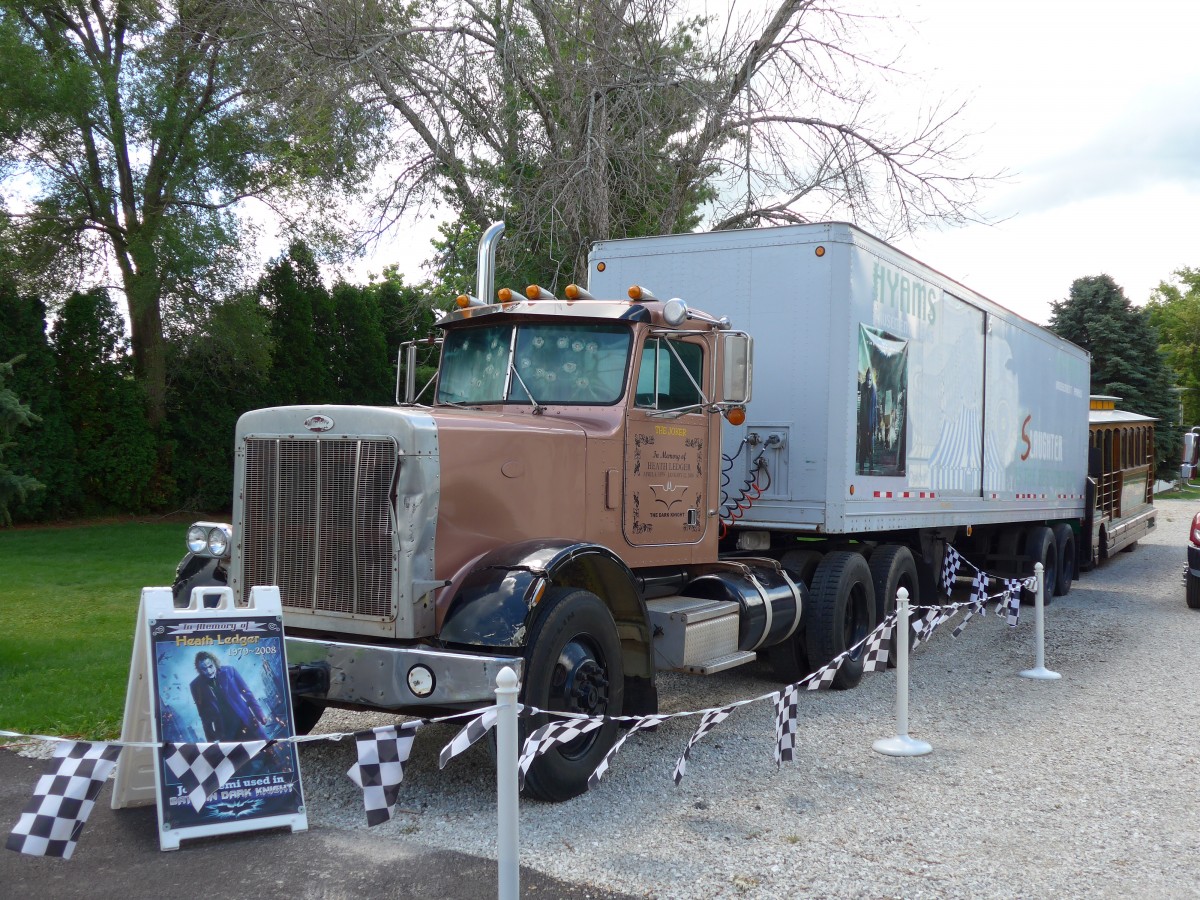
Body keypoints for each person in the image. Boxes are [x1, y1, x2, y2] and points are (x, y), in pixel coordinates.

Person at [189, 651, 269, 742]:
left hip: (246, 720)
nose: (209, 671)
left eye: (210, 666)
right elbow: (203, 715)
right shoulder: (196, 686)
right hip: (226, 732)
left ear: (214, 663)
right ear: (199, 670)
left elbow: (247, 694)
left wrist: (259, 714)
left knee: (264, 748)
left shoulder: (230, 671)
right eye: (204, 669)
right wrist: (210, 739)